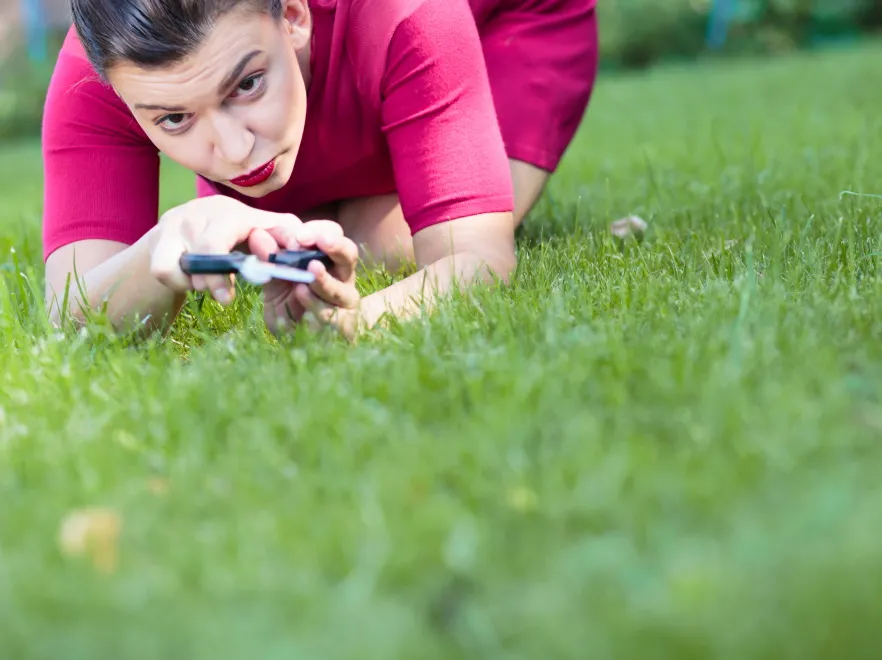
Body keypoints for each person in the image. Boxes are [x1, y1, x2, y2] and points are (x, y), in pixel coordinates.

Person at [42, 0, 598, 340]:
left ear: (292, 16)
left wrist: (355, 321)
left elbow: (476, 260)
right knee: (292, 239)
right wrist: (165, 243)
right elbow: (70, 311)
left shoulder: (406, 11)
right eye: (175, 118)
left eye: (247, 84)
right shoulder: (107, 69)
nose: (234, 149)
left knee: (383, 242)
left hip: (509, 22)